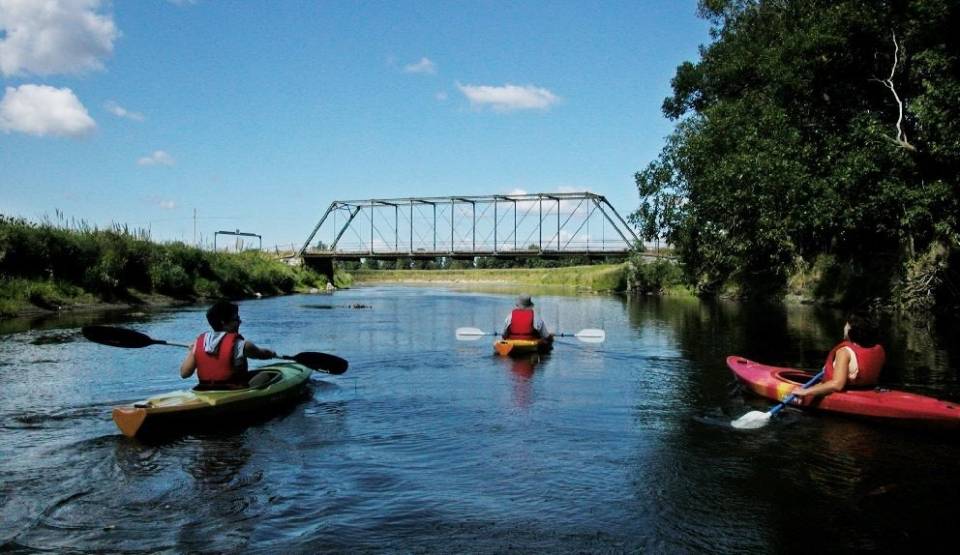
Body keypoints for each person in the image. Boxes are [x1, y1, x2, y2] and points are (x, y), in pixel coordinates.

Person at [180, 301, 277, 389]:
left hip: (205, 389)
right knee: (266, 375)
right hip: (234, 390)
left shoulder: (199, 343)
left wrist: (192, 351)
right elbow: (262, 354)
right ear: (223, 322)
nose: (240, 322)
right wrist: (271, 353)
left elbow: (184, 373)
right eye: (236, 319)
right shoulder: (241, 345)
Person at [792, 313, 886, 399]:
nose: (844, 327)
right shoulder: (879, 349)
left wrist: (805, 392)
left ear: (851, 330)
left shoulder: (844, 352)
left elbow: (837, 384)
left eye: (847, 324)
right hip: (869, 390)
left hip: (847, 393)